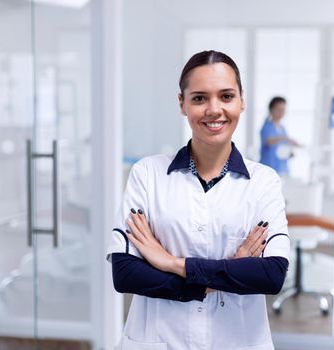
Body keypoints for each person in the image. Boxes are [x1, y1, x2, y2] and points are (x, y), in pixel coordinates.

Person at [106, 50, 290, 350]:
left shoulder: (264, 181)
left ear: (242, 101)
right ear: (182, 103)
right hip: (160, 340)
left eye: (226, 96)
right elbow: (126, 274)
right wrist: (221, 275)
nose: (214, 109)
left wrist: (169, 262)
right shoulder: (148, 174)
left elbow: (270, 275)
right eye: (200, 98)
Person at [259, 96, 300, 176]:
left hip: (282, 169)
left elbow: (282, 148)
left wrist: (289, 153)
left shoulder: (282, 128)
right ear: (271, 109)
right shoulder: (267, 127)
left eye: (283, 109)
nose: (281, 112)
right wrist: (286, 139)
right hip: (268, 169)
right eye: (279, 109)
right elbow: (269, 141)